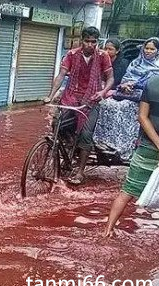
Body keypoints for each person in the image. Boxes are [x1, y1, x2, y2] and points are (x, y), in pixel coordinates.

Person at [103, 38, 159, 238]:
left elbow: (142, 116)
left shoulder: (153, 82)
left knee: (127, 190)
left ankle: (107, 231)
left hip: (147, 147)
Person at [43, 26, 114, 185]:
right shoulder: (71, 54)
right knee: (57, 125)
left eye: (93, 42)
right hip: (71, 96)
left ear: (97, 42)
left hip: (92, 99)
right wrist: (50, 96)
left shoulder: (103, 56)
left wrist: (103, 92)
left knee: (86, 134)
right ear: (81, 40)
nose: (90, 44)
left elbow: (110, 79)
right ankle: (66, 149)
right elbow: (61, 75)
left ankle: (80, 172)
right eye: (87, 41)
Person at [93, 37, 159, 161]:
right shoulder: (135, 63)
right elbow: (125, 78)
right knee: (106, 104)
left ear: (158, 51)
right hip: (126, 94)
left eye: (152, 49)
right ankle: (105, 141)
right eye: (146, 48)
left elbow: (155, 85)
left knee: (123, 107)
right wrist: (125, 85)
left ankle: (123, 145)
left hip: (145, 99)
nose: (148, 51)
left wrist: (135, 85)